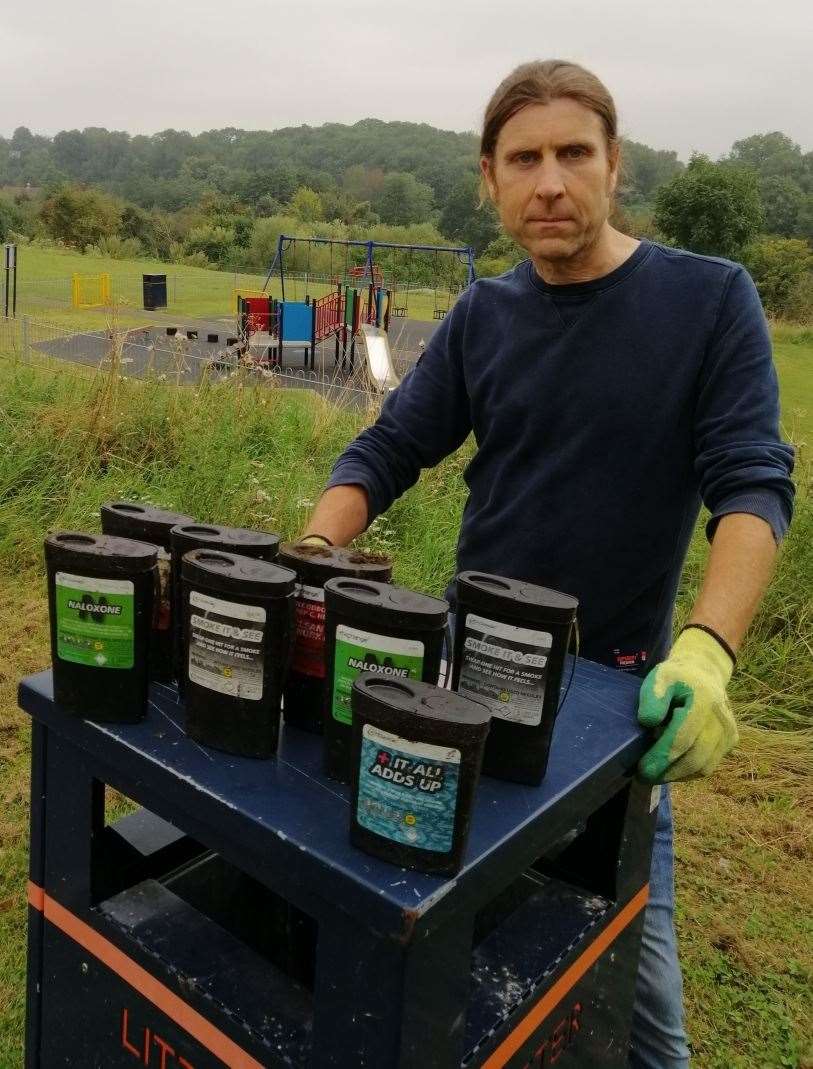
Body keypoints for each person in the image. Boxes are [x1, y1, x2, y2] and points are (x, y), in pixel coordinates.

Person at [300, 60, 795, 1067]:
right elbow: (389, 448)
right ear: (490, 179)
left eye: (575, 153)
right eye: (524, 159)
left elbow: (752, 486)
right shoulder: (484, 315)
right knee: (438, 933)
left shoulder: (710, 302)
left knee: (639, 1000)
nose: (551, 181)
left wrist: (706, 653)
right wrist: (315, 547)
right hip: (463, 690)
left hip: (616, 711)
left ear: (615, 164)